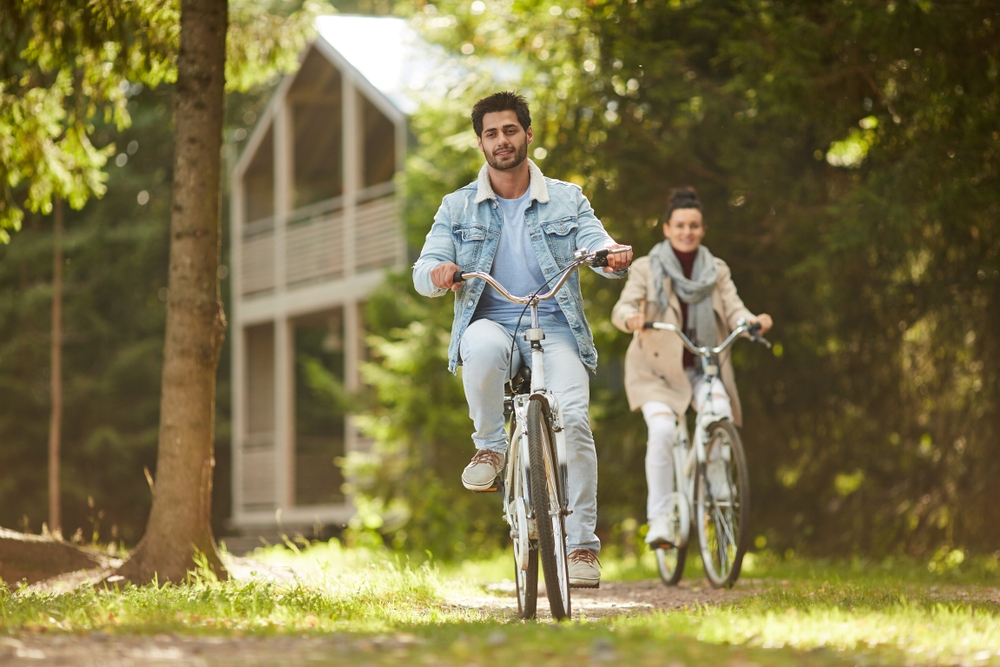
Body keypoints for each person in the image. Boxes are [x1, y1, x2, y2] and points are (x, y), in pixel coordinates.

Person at [412, 91, 632, 588]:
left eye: (510, 130)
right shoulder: (458, 206)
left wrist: (608, 252)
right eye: (491, 133)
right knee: (482, 346)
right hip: (493, 320)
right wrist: (440, 272)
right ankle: (490, 448)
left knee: (574, 420)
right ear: (481, 142)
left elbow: (594, 239)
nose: (501, 140)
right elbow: (423, 270)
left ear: (528, 135)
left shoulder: (567, 197)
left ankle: (580, 547)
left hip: (555, 326)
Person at [610, 186, 772, 547]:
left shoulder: (716, 270)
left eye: (694, 226)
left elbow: (734, 308)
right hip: (654, 373)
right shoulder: (646, 268)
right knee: (664, 432)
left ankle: (720, 492)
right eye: (680, 225)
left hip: (703, 365)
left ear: (703, 230)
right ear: (666, 228)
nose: (687, 231)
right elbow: (622, 307)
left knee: (720, 412)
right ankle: (661, 520)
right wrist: (631, 319)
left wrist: (751, 321)